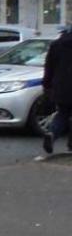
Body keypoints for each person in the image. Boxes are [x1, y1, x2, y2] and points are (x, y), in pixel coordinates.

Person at [42, 24, 72, 155]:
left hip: (61, 86)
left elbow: (49, 67)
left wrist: (46, 84)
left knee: (62, 114)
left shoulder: (56, 45)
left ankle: (52, 133)